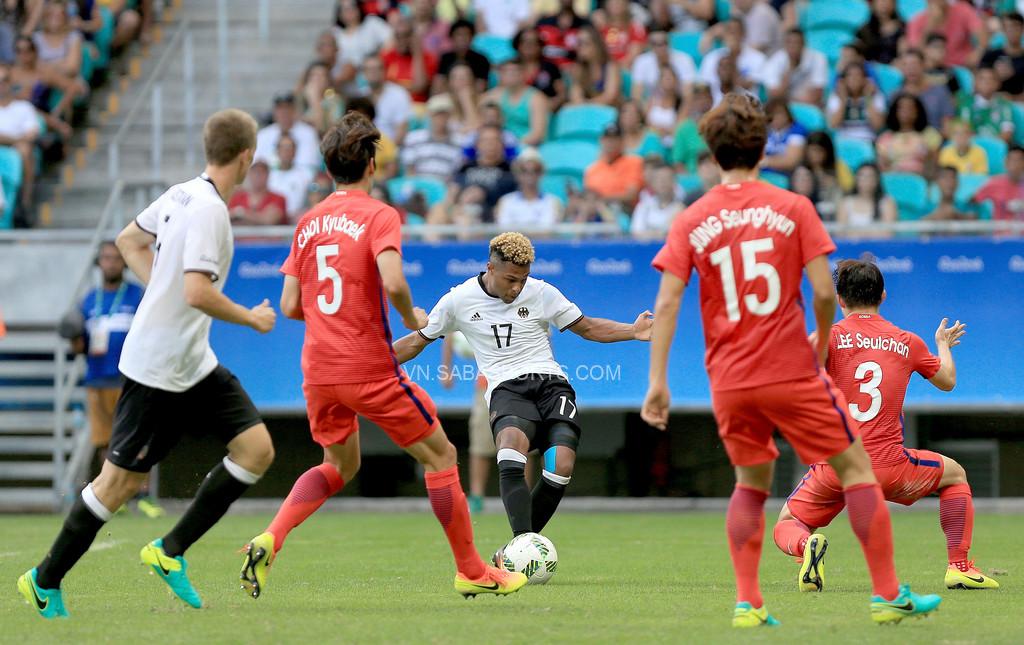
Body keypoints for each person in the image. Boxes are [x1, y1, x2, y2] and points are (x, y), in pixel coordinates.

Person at [641, 92, 941, 628]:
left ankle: (748, 604)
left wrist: (657, 382)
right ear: (764, 149)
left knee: (750, 485)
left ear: (711, 151)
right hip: (789, 369)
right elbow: (825, 292)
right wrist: (821, 342)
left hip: (730, 377)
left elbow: (666, 303)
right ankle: (886, 595)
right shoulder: (793, 207)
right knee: (857, 472)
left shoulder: (691, 219)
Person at [238, 112, 527, 601]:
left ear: (328, 167)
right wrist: (413, 319)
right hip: (366, 366)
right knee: (441, 455)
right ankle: (472, 570)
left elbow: (289, 305)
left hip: (318, 369)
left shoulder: (307, 222)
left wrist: (331, 314)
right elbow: (393, 281)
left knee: (337, 464)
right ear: (371, 165)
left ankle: (271, 537)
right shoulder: (378, 215)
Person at [18, 108, 278, 619]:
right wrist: (250, 317)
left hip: (192, 361)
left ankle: (169, 550)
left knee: (256, 450)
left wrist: (161, 285)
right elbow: (196, 291)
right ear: (246, 156)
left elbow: (128, 241)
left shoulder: (181, 193)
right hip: (158, 367)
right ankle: (43, 580)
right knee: (116, 486)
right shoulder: (209, 210)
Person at [393, 232, 652, 544]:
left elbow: (588, 327)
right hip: (506, 388)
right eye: (511, 279)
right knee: (511, 447)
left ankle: (516, 549)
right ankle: (521, 544)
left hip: (551, 384)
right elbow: (415, 343)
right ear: (490, 267)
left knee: (561, 465)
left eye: (523, 279)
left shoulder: (542, 292)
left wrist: (633, 331)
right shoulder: (458, 300)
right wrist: (369, 363)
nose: (517, 288)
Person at [773, 260, 998, 591]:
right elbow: (947, 381)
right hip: (889, 468)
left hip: (836, 468)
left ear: (840, 299)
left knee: (788, 522)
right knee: (955, 476)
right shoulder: (906, 341)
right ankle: (959, 567)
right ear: (883, 295)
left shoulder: (825, 339)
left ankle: (806, 546)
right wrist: (943, 345)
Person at [69, 241, 162, 518]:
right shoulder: (89, 300)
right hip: (97, 380)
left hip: (130, 379)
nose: (111, 263)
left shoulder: (137, 295)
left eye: (116, 258)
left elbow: (151, 333)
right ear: (99, 263)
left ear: (124, 262)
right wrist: (73, 336)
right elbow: (80, 347)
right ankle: (114, 496)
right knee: (104, 441)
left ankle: (143, 496)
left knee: (138, 438)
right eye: (106, 258)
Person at [482, 58, 548, 147]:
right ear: (501, 75)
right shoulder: (494, 95)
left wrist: (513, 147)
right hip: (499, 146)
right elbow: (478, 120)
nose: (510, 76)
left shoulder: (536, 98)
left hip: (528, 147)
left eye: (515, 72)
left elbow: (537, 134)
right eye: (506, 72)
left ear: (524, 74)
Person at [0, 62, 39, 212]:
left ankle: (24, 203)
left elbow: (32, 134)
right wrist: (17, 139)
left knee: (24, 149)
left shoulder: (24, 107)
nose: (1, 85)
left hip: (16, 150)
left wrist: (7, 140)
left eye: (4, 80)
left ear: (11, 82)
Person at [494, 147, 562, 232]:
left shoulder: (553, 202)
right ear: (517, 173)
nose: (530, 175)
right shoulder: (505, 201)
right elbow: (502, 231)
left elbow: (549, 233)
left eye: (535, 170)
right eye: (524, 170)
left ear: (541, 174)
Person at [698, 19, 766, 104]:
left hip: (746, 104)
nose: (732, 35)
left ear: (743, 34)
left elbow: (748, 85)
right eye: (729, 31)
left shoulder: (758, 58)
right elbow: (704, 86)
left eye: (735, 31)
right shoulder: (711, 58)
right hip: (715, 104)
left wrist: (732, 55)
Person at [399, 93, 465, 181]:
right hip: (419, 185)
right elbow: (410, 171)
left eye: (444, 114)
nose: (440, 118)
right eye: (437, 114)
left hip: (446, 186)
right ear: (429, 115)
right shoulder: (413, 138)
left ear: (450, 116)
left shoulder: (460, 142)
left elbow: (457, 173)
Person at [876, 93, 941, 178]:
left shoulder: (929, 134)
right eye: (901, 108)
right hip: (894, 180)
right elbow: (883, 166)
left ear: (917, 111)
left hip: (921, 180)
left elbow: (933, 163)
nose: (906, 111)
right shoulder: (885, 137)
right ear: (895, 112)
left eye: (910, 108)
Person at [906, 0, 988, 68]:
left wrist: (978, 52)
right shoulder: (916, 21)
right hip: (931, 69)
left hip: (961, 66)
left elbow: (982, 36)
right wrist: (930, 25)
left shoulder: (962, 10)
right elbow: (915, 53)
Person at [584, 122, 645, 210]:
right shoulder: (592, 169)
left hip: (624, 211)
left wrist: (602, 200)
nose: (610, 143)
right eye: (607, 139)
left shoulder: (634, 162)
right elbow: (588, 197)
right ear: (601, 141)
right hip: (595, 212)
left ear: (623, 141)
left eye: (615, 139)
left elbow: (631, 195)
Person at [254, 93, 322, 172]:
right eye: (280, 108)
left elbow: (310, 163)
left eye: (288, 108)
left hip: (301, 177)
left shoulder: (309, 133)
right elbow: (257, 164)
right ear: (274, 111)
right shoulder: (263, 135)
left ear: (294, 110)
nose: (284, 112)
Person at [762, 28, 828, 106]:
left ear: (804, 44)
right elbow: (773, 96)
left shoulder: (818, 58)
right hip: (785, 106)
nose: (793, 46)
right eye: (789, 43)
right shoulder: (775, 60)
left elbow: (816, 96)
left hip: (808, 106)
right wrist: (788, 74)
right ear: (784, 45)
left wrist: (787, 99)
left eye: (797, 43)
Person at [380, 14, 437, 103]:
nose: (402, 41)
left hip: (417, 105)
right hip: (392, 104)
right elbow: (381, 87)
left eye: (406, 36)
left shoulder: (428, 58)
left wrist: (417, 53)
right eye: (398, 36)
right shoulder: (386, 56)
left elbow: (419, 87)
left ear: (415, 37)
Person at [826, 61, 886, 144]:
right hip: (843, 141)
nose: (854, 79)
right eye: (850, 75)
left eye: (858, 75)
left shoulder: (876, 95)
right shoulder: (836, 96)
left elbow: (878, 125)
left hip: (868, 140)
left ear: (865, 79)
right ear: (843, 80)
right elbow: (833, 124)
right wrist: (843, 100)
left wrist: (868, 99)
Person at [630, 28, 696, 101]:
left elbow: (688, 93)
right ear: (649, 45)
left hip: (678, 102)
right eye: (655, 44)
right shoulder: (641, 61)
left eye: (664, 43)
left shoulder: (684, 59)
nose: (660, 47)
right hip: (651, 103)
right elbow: (636, 94)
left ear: (670, 43)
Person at [359, 54, 412, 145]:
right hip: (365, 149)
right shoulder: (360, 96)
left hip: (392, 148)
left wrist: (388, 150)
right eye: (369, 69)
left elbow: (402, 130)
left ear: (384, 71)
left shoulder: (399, 94)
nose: (373, 72)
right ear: (363, 73)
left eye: (377, 68)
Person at [957, 66, 1015, 144]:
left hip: (997, 146)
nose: (987, 82)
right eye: (982, 78)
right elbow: (965, 130)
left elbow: (1007, 133)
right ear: (975, 82)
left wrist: (993, 146)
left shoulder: (1004, 104)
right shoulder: (966, 103)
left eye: (991, 79)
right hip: (974, 146)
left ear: (998, 83)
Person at [837, 162, 898, 235]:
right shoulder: (846, 202)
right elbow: (840, 233)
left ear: (877, 180)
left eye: (870, 176)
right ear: (856, 178)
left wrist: (857, 233)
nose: (865, 180)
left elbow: (888, 233)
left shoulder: (887, 202)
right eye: (862, 176)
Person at [567, 25, 620, 106]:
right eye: (578, 43)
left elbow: (610, 96)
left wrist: (586, 104)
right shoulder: (579, 68)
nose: (580, 47)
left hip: (609, 110)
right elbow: (575, 96)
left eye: (584, 43)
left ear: (596, 45)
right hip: (588, 110)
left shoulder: (610, 66)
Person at [333, 0, 392, 73]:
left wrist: (377, 58)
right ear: (339, 14)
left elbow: (391, 38)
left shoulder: (371, 22)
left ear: (359, 8)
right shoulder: (336, 32)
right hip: (347, 74)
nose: (349, 11)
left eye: (352, 7)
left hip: (373, 70)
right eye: (345, 9)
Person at [513, 27, 565, 109]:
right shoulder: (511, 66)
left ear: (540, 46)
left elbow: (562, 94)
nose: (529, 45)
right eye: (525, 42)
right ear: (518, 45)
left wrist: (551, 105)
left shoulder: (550, 67)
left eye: (534, 42)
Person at [268, 134, 315, 222]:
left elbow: (313, 199)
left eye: (290, 148)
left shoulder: (306, 175)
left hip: (297, 222)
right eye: (283, 148)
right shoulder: (268, 175)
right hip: (272, 223)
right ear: (277, 151)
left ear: (295, 151)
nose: (287, 152)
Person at [435, 19, 489, 94]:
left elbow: (480, 87)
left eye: (466, 34)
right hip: (449, 95)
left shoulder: (481, 60)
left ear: (472, 37)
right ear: (452, 37)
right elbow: (438, 84)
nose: (463, 38)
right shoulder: (445, 58)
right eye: (459, 34)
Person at [228, 159, 288, 225]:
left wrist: (240, 213)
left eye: (262, 172)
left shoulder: (278, 198)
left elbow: (269, 220)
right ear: (249, 174)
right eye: (255, 172)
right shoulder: (237, 198)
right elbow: (227, 218)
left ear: (268, 175)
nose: (258, 176)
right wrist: (258, 217)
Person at [974, 145, 1024, 223]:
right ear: (1006, 163)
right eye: (1013, 160)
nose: (1016, 164)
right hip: (1000, 230)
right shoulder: (994, 183)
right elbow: (974, 201)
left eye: (1019, 160)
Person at [760, 98, 806, 180]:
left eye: (780, 113)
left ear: (787, 114)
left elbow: (791, 161)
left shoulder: (797, 130)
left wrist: (765, 161)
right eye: (772, 114)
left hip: (787, 176)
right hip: (762, 175)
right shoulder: (763, 129)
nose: (777, 118)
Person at [671, 82, 712, 173]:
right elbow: (677, 163)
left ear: (711, 100)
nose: (702, 102)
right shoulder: (683, 129)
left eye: (706, 97)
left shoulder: (719, 126)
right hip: (692, 176)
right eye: (698, 98)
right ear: (692, 102)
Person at [631, 164, 681, 238]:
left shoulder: (681, 207)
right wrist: (660, 234)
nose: (662, 182)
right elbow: (636, 232)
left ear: (674, 182)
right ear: (652, 183)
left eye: (666, 179)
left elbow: (675, 232)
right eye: (658, 179)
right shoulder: (643, 206)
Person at [981, 12, 1024, 97]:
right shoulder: (991, 55)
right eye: (1008, 27)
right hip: (993, 101)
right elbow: (979, 85)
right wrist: (995, 75)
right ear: (1003, 30)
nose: (1012, 30)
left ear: (1022, 29)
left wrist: (1012, 98)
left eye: (1016, 26)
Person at [596, 0, 646, 66]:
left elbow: (632, 58)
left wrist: (613, 68)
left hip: (626, 70)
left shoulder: (636, 28)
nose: (615, 3)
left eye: (619, 1)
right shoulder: (599, 26)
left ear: (627, 4)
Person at [856, 0, 904, 65]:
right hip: (871, 67)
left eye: (888, 1)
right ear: (871, 5)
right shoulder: (864, 31)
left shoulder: (903, 28)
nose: (884, 4)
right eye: (881, 1)